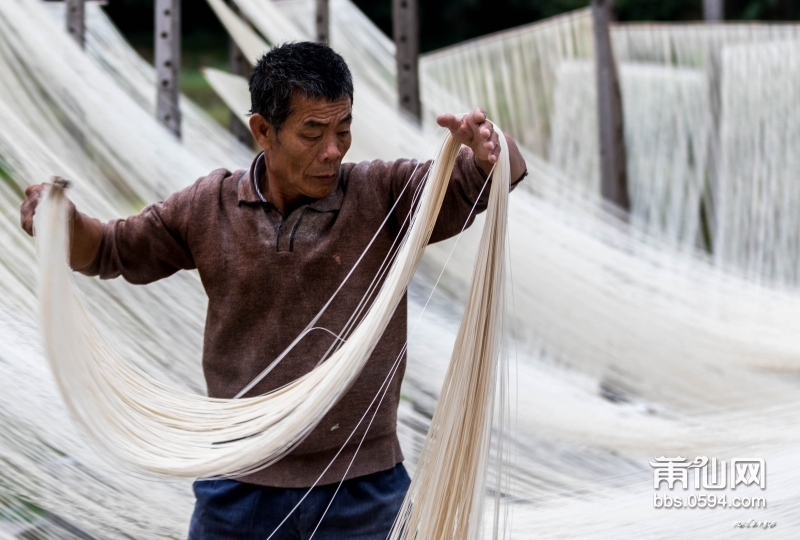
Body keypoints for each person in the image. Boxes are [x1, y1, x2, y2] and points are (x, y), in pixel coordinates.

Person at [20, 42, 527, 540]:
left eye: (343, 130)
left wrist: (489, 150)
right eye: (313, 132)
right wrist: (64, 224)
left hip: (363, 487)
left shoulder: (382, 195)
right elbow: (109, 249)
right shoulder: (208, 207)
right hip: (239, 485)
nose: (332, 151)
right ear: (264, 131)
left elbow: (483, 178)